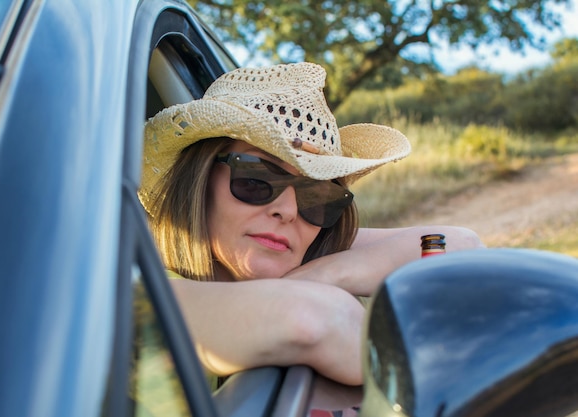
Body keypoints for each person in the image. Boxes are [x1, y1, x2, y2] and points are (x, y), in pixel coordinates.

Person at [138, 62, 484, 388]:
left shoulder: (305, 248)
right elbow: (313, 321)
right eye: (257, 178)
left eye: (316, 196)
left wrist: (322, 273)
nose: (288, 210)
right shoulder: (142, 285)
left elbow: (460, 246)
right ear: (199, 180)